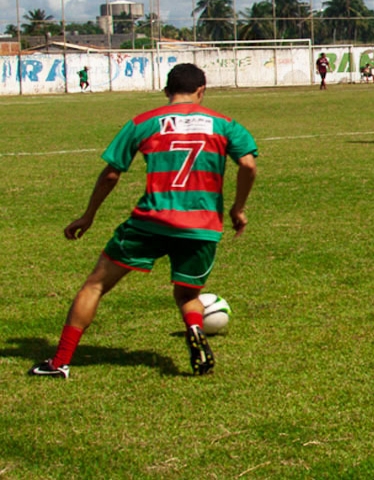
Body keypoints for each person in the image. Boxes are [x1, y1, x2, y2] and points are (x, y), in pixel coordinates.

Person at [29, 63, 258, 378]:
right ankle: (194, 327)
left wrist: (88, 215)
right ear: (202, 91)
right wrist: (238, 208)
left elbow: (111, 173)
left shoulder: (143, 122)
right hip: (201, 226)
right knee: (187, 295)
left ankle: (60, 363)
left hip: (150, 222)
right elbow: (247, 165)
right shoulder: (226, 125)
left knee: (95, 285)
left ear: (166, 91)